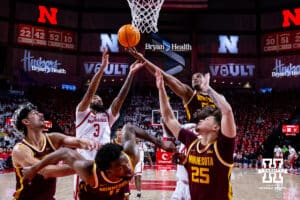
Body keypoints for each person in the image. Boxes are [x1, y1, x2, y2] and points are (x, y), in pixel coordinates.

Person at [22, 123, 176, 200]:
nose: (129, 169)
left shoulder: (130, 156)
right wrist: (34, 169)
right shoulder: (90, 172)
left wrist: (161, 143)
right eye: (122, 167)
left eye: (126, 163)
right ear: (108, 171)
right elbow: (64, 152)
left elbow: (130, 128)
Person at [155, 70, 236, 200]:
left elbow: (227, 112)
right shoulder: (192, 141)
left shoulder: (223, 148)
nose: (201, 120)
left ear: (215, 127)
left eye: (206, 119)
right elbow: (169, 118)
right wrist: (161, 89)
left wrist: (208, 89)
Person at [11, 102, 99, 200]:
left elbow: (76, 141)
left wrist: (88, 142)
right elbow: (45, 171)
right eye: (35, 114)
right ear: (26, 122)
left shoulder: (53, 138)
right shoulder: (20, 150)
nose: (41, 115)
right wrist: (87, 168)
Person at [76, 48, 145, 160]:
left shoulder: (107, 116)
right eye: (94, 98)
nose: (97, 99)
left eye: (99, 99)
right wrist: (102, 69)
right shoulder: (81, 113)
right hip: (83, 163)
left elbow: (120, 98)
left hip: (104, 163)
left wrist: (130, 74)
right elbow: (89, 93)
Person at [127, 48, 215, 121]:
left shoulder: (217, 98)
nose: (195, 78)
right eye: (193, 78)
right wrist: (143, 60)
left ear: (205, 79)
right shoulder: (190, 94)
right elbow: (166, 78)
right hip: (198, 136)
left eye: (198, 76)